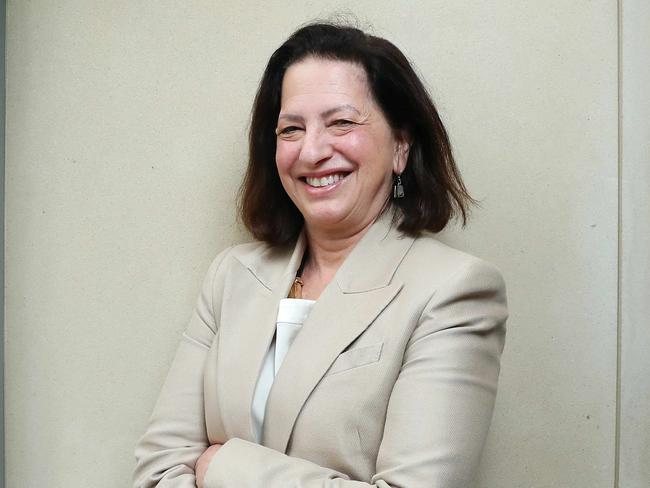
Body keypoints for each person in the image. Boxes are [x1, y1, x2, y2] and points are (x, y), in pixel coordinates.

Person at [133, 22, 508, 488]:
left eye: (342, 123)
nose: (311, 151)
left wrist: (224, 468)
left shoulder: (454, 290)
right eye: (292, 129)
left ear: (401, 146)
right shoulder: (231, 275)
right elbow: (158, 469)